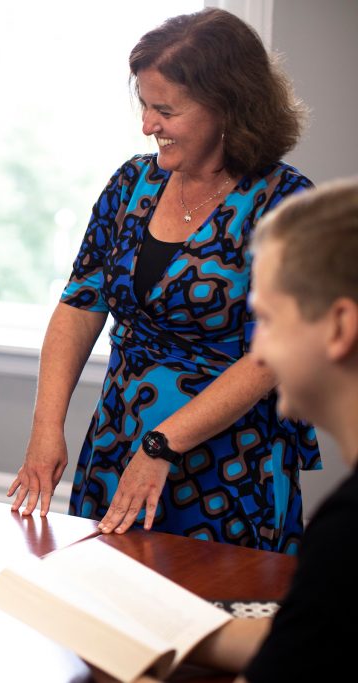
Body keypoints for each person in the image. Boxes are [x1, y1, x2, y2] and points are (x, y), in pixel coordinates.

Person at [8, 8, 319, 553]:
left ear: (227, 108)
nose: (148, 124)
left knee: (213, 625)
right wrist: (46, 425)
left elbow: (273, 355)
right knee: (103, 615)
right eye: (145, 105)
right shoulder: (132, 183)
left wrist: (162, 446)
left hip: (228, 467)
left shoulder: (284, 203)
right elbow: (81, 303)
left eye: (165, 109)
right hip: (118, 445)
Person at [180, 179, 358, 681]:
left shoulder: (346, 535)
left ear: (339, 328)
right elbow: (306, 638)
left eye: (266, 320)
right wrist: (156, 626)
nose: (257, 353)